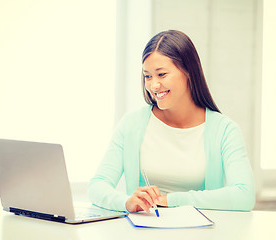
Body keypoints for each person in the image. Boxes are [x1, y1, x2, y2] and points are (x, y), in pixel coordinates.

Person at [88, 30, 255, 213]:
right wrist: (126, 202)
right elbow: (97, 186)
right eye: (147, 76)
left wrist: (169, 200)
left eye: (162, 74)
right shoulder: (131, 125)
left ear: (188, 72)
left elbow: (244, 196)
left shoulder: (225, 131)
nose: (153, 85)